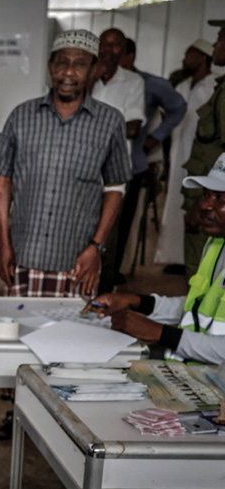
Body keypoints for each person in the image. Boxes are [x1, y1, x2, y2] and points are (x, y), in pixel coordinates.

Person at [0, 30, 131, 440]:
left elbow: (116, 189)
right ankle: (16, 415)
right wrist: (3, 241)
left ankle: (62, 421)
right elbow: (2, 183)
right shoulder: (22, 115)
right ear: (51, 67)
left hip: (77, 256)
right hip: (27, 249)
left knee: (71, 344)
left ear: (94, 70)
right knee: (20, 342)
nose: (69, 72)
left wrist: (97, 247)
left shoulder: (108, 122)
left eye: (80, 64)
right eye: (62, 62)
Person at [86, 153, 225, 489]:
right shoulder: (217, 245)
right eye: (208, 196)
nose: (206, 205)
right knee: (120, 390)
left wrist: (161, 334)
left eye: (221, 199)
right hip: (200, 372)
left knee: (143, 412)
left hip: (215, 390)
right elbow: (195, 307)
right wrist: (140, 301)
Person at [115, 38, 186, 280]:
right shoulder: (98, 79)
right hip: (101, 165)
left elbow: (178, 106)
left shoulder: (149, 84)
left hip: (133, 162)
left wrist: (156, 137)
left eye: (117, 52)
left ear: (130, 56)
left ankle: (114, 271)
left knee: (124, 222)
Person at [89, 28, 146, 292]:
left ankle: (103, 293)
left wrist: (90, 126)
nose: (108, 50)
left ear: (123, 51)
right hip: (83, 169)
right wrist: (90, 80)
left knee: (107, 239)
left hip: (113, 173)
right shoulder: (86, 78)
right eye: (104, 44)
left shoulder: (133, 82)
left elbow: (133, 127)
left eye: (115, 46)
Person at [154, 40, 217, 276]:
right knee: (173, 207)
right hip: (178, 155)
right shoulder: (182, 87)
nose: (184, 60)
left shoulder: (212, 88)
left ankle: (191, 262)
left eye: (189, 55)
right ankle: (175, 257)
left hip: (201, 162)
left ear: (202, 57)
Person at [182, 22, 225, 275]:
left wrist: (206, 202)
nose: (216, 44)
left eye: (220, 38)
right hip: (210, 195)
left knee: (201, 270)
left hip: (213, 201)